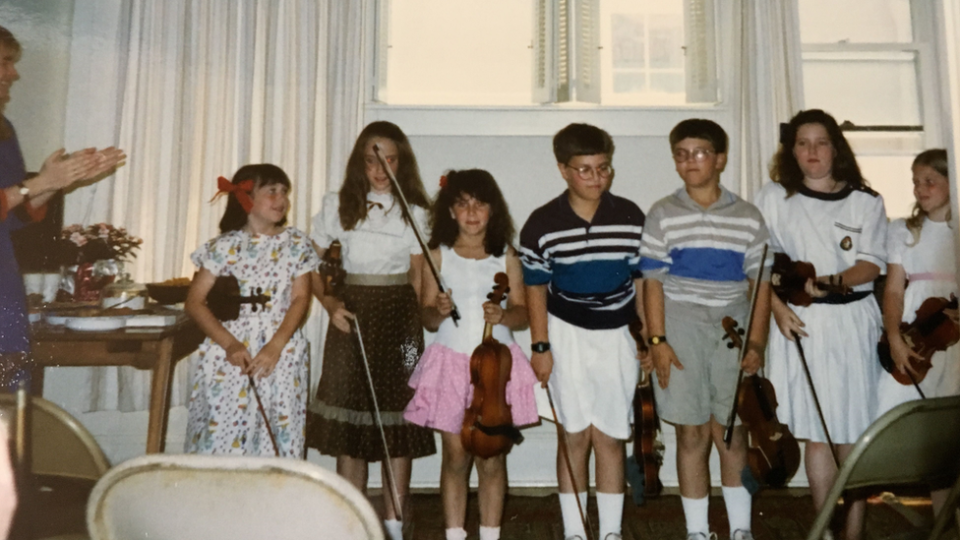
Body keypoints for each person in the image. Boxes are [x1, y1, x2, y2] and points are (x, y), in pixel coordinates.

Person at [755, 109, 887, 540]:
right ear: (791, 150)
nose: (812, 152)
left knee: (853, 433)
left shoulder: (866, 201)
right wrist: (777, 308)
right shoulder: (774, 198)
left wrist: (828, 282)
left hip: (852, 324)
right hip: (803, 325)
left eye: (821, 142)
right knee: (819, 433)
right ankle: (824, 531)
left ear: (836, 148)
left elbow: (868, 266)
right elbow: (760, 266)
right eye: (802, 143)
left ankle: (854, 531)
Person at [641, 119, 771, 540]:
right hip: (680, 322)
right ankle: (697, 531)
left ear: (720, 159)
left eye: (699, 153)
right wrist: (658, 341)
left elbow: (760, 286)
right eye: (681, 153)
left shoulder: (748, 217)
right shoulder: (663, 212)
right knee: (691, 431)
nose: (689, 161)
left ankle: (739, 529)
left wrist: (756, 341)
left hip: (731, 323)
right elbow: (653, 282)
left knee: (730, 429)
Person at [307, 121, 436, 540]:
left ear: (402, 162)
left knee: (399, 421)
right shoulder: (336, 205)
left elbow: (418, 277)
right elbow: (314, 265)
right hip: (351, 315)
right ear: (360, 163)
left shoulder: (417, 210)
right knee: (352, 427)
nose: (380, 170)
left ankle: (396, 524)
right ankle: (352, 524)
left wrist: (414, 330)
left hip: (401, 322)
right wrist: (329, 304)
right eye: (370, 160)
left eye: (389, 160)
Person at [520, 123, 645, 540]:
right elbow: (534, 288)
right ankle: (576, 532)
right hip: (565, 333)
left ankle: (609, 533)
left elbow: (642, 283)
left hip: (617, 335)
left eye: (603, 168)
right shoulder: (542, 222)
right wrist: (540, 346)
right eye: (585, 170)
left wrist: (645, 338)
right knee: (573, 435)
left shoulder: (630, 216)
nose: (596, 179)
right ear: (563, 170)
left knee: (610, 435)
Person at [403, 169, 540, 540]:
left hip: (496, 366)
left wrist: (503, 315)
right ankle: (454, 534)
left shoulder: (507, 256)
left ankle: (491, 534)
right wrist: (439, 309)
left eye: (479, 204)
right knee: (455, 457)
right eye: (462, 204)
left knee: (492, 456)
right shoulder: (437, 256)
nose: (472, 212)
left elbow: (523, 313)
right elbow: (428, 318)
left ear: (493, 210)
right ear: (450, 212)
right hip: (450, 364)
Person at [0, 25, 125, 390]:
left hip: (4, 290)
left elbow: (15, 216)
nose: (14, 73)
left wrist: (57, 182)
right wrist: (40, 183)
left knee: (9, 416)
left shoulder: (4, 129)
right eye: (5, 63)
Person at [184, 164, 318, 458]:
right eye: (271, 191)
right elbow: (194, 302)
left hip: (280, 350)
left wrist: (276, 345)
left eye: (284, 192)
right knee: (224, 434)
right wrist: (229, 343)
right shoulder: (225, 246)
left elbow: (300, 299)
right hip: (232, 351)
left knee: (279, 434)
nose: (281, 198)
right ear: (246, 198)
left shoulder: (296, 244)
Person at [877, 149, 959, 515]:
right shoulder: (904, 231)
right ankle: (943, 521)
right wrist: (894, 336)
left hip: (953, 335)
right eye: (915, 181)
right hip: (917, 330)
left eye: (930, 181)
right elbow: (894, 290)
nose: (920, 189)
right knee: (921, 426)